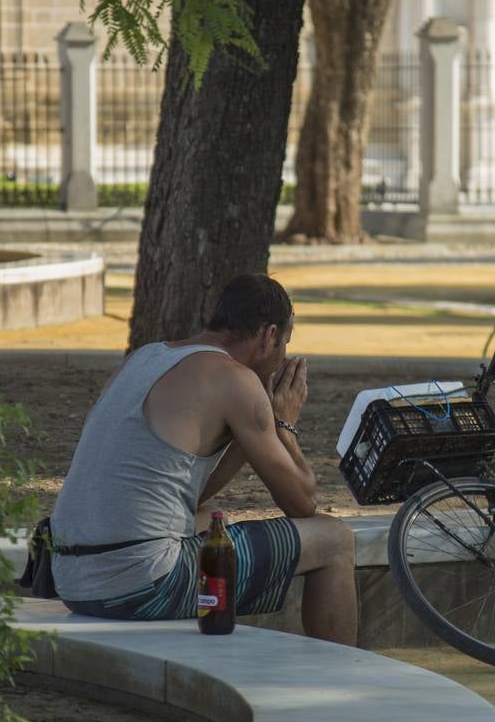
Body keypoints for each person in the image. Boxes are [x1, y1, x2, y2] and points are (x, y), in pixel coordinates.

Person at [48, 274, 357, 646]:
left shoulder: (145, 357)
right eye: (285, 344)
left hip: (71, 579)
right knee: (335, 540)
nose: (282, 358)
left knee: (204, 518)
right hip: (142, 587)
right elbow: (302, 504)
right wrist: (285, 425)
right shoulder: (235, 379)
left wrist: (250, 437)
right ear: (269, 335)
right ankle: (343, 670)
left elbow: (187, 494)